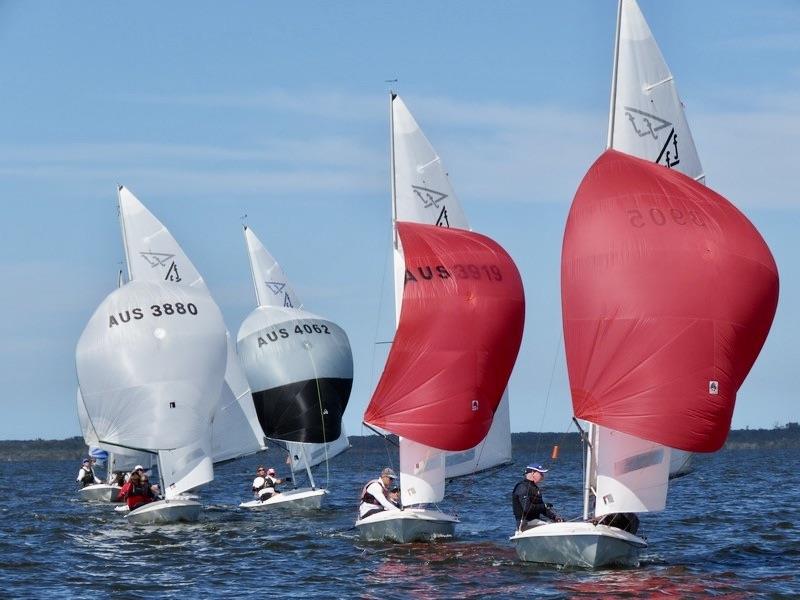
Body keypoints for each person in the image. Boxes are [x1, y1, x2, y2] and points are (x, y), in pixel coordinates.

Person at [512, 463, 562, 530]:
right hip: (525, 524)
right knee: (554, 528)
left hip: (535, 522)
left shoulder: (534, 488)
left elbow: (542, 509)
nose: (543, 476)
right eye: (540, 473)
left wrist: (554, 517)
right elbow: (527, 508)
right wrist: (544, 506)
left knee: (560, 524)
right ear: (533, 473)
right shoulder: (522, 487)